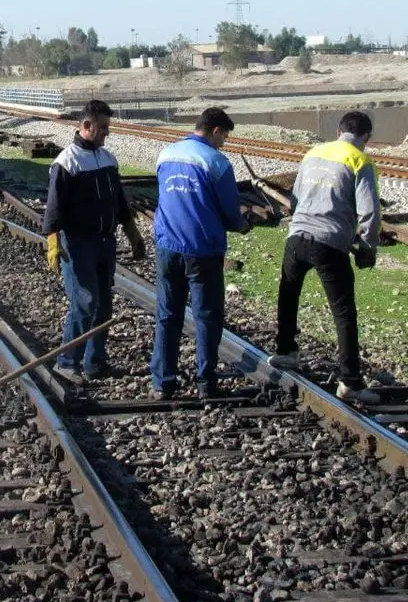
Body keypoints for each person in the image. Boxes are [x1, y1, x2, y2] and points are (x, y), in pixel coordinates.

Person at [270, 110, 382, 405]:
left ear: (339, 131)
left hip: (296, 238)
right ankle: (350, 381)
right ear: (366, 138)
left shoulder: (313, 152)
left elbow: (294, 199)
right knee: (344, 312)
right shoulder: (360, 160)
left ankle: (285, 352)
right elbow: (369, 212)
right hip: (330, 244)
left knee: (288, 293)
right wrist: (368, 248)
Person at [150, 107, 252, 400]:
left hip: (167, 244)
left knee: (168, 314)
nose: (224, 144)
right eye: (224, 138)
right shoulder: (216, 162)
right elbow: (230, 212)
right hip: (202, 249)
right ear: (216, 130)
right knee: (207, 315)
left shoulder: (166, 154)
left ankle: (162, 382)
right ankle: (205, 382)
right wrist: (243, 224)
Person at [43, 100, 146, 383]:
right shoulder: (66, 162)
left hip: (105, 242)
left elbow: (119, 202)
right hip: (78, 243)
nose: (107, 133)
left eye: (107, 127)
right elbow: (53, 208)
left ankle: (95, 363)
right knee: (85, 302)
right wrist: (53, 242)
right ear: (86, 126)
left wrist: (132, 233)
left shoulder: (108, 158)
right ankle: (67, 362)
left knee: (103, 305)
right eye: (102, 128)